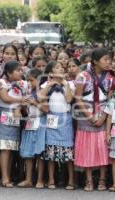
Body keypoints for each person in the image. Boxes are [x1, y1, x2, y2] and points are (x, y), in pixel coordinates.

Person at [74, 48, 114, 192]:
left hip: (103, 111)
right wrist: (89, 116)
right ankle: (89, 180)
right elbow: (78, 98)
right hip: (85, 112)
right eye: (105, 59)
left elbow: (111, 100)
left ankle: (102, 180)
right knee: (87, 148)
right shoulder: (82, 76)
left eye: (109, 59)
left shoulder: (110, 78)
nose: (108, 62)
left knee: (102, 147)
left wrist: (103, 116)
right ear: (96, 61)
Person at [0, 60, 28, 187]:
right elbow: (5, 98)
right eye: (18, 70)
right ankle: (4, 178)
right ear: (9, 73)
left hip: (16, 116)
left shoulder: (22, 84)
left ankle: (8, 176)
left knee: (11, 147)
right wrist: (21, 100)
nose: (21, 72)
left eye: (21, 70)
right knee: (5, 148)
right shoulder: (2, 82)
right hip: (4, 115)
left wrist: (20, 105)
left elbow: (26, 99)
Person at [39, 62, 75, 190]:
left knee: (68, 150)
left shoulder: (69, 84)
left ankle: (71, 180)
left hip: (65, 118)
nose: (61, 69)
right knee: (51, 150)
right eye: (57, 67)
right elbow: (41, 96)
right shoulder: (47, 84)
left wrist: (65, 84)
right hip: (52, 117)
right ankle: (51, 179)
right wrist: (49, 84)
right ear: (51, 72)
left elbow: (69, 99)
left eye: (62, 67)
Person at [17, 69, 47, 188]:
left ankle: (39, 179)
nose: (29, 83)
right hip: (29, 122)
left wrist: (35, 103)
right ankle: (28, 179)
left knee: (39, 153)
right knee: (28, 153)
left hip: (40, 124)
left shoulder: (43, 93)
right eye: (27, 80)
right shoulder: (28, 92)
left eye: (31, 80)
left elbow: (46, 109)